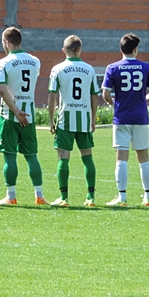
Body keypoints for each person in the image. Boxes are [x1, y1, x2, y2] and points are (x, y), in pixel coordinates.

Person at [101, 33, 149, 207]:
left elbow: (105, 93)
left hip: (122, 117)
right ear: (135, 49)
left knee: (121, 157)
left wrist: (113, 104)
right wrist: (144, 101)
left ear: (121, 49)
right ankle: (147, 197)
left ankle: (122, 197)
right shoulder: (145, 67)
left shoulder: (112, 67)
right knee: (143, 157)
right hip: (140, 117)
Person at [0, 26, 46, 206]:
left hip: (9, 114)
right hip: (29, 114)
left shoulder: (3, 63)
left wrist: (16, 110)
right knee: (31, 156)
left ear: (7, 42)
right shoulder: (35, 61)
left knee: (9, 156)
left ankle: (11, 196)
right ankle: (39, 195)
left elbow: (2, 90)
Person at [48, 35, 100, 207]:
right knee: (87, 157)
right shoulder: (89, 69)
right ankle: (90, 197)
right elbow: (94, 96)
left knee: (63, 157)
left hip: (65, 119)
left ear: (64, 50)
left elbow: (52, 96)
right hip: (84, 119)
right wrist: (93, 119)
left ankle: (64, 198)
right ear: (79, 50)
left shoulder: (57, 69)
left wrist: (50, 120)